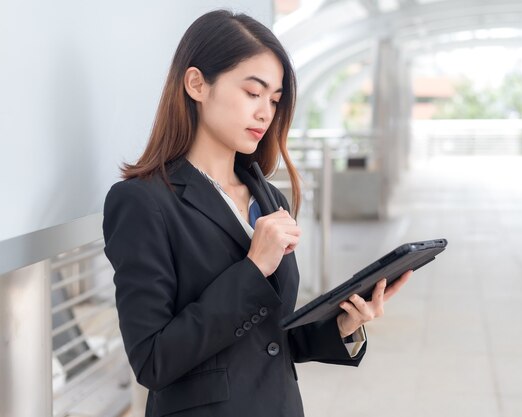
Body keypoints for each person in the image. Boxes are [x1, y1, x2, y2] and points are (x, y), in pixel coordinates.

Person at [102, 9, 412, 417]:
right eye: (252, 92)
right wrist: (252, 269)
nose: (266, 112)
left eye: (274, 99)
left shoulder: (268, 198)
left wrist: (342, 325)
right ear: (196, 84)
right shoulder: (142, 202)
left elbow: (272, 336)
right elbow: (153, 359)